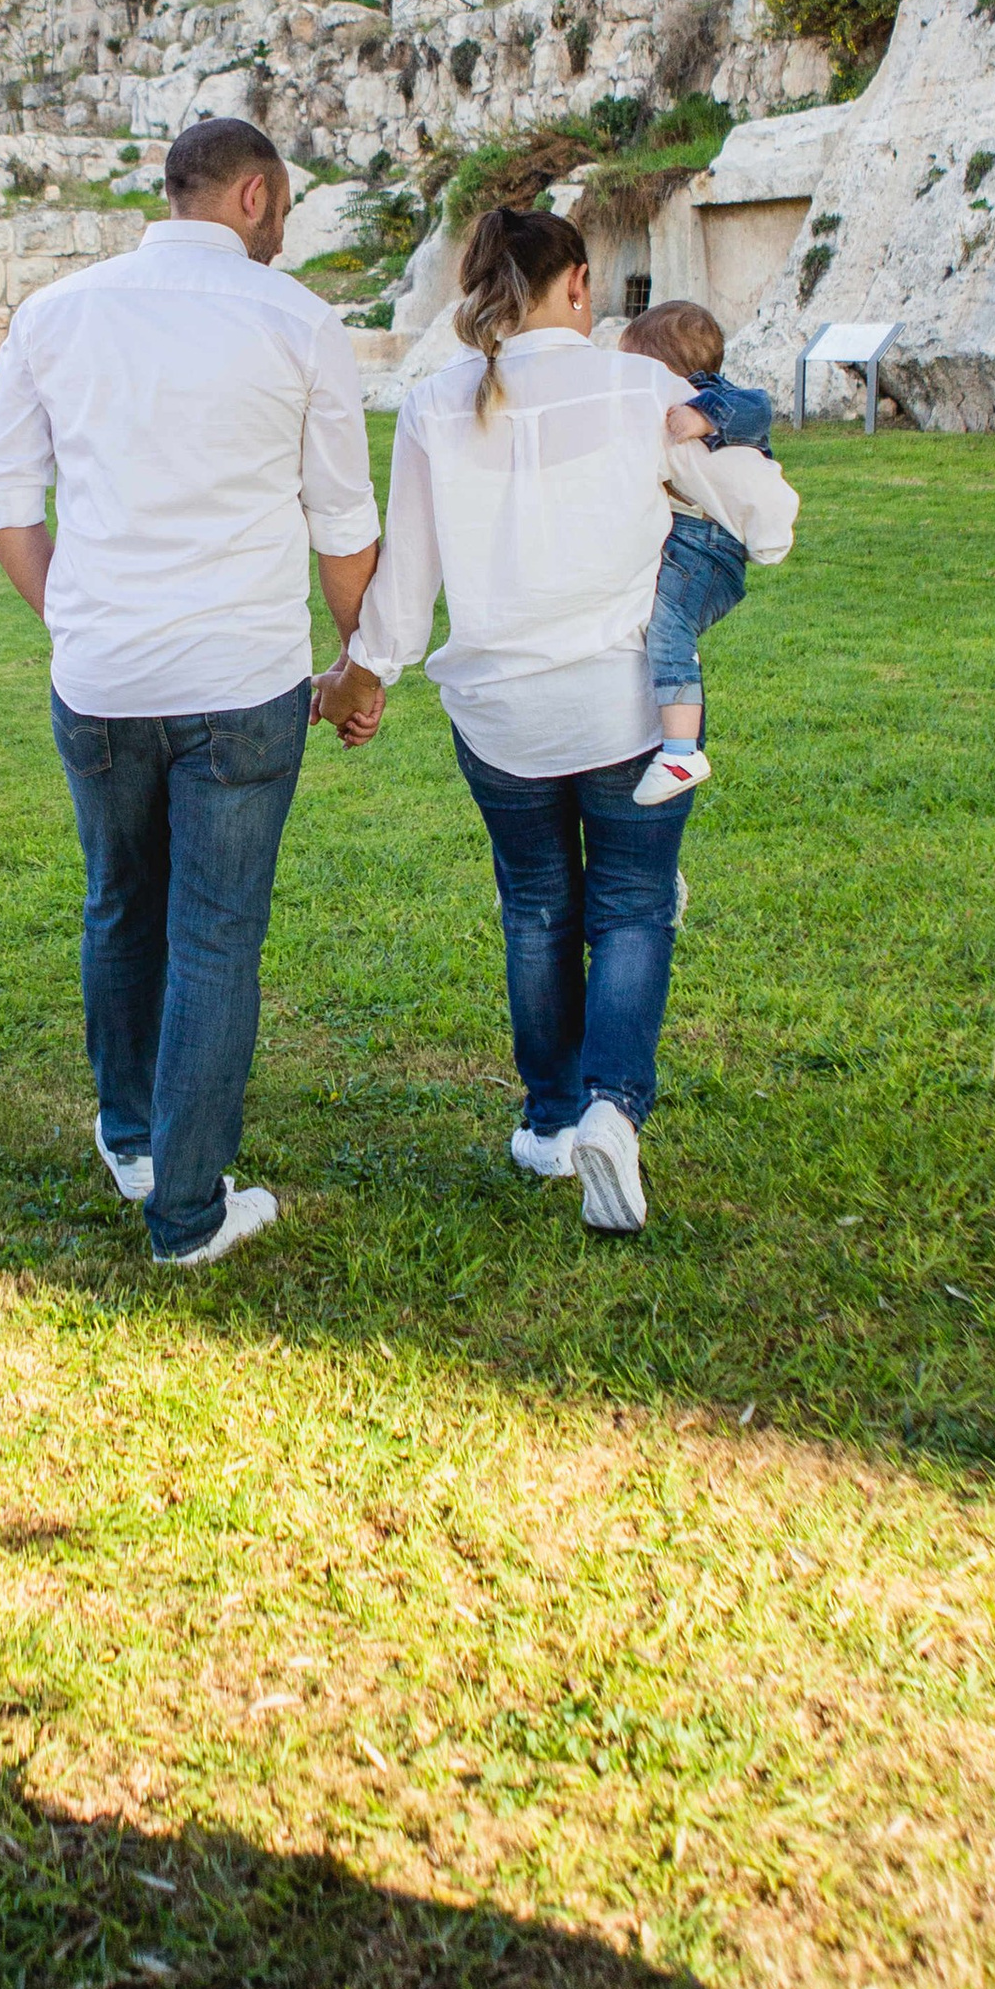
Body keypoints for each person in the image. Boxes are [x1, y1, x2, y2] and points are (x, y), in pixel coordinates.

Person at [0, 114, 380, 1268]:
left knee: (118, 904)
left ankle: (135, 1137)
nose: (284, 231)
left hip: (99, 677)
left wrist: (76, 620)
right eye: (285, 208)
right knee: (213, 935)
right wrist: (359, 666)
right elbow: (342, 527)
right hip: (239, 681)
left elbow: (4, 502)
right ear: (252, 196)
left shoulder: (54, 314)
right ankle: (188, 1213)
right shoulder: (298, 322)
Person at [315, 205, 722, 1237]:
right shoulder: (644, 385)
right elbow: (736, 502)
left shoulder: (434, 403)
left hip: (499, 718)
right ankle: (611, 1111)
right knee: (631, 905)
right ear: (578, 283)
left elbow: (403, 587)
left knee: (537, 907)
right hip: (625, 703)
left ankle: (548, 1122)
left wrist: (363, 681)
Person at [616, 298, 797, 803]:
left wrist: (705, 415)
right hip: (692, 537)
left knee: (668, 628)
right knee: (656, 624)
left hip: (709, 546)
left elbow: (758, 405)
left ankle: (680, 752)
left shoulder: (713, 401)